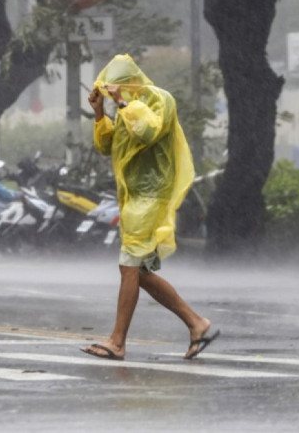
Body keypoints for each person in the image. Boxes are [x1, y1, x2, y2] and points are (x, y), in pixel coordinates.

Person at [80, 54, 219, 362]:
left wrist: (123, 105)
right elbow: (107, 146)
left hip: (152, 197)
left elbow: (148, 132)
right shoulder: (125, 109)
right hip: (133, 199)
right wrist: (100, 112)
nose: (113, 95)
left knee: (129, 267)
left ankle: (117, 342)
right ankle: (197, 324)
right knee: (139, 273)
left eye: (115, 88)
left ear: (131, 82)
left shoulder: (158, 100)